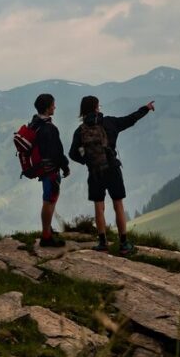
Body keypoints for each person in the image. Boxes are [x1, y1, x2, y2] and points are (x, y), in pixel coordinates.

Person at [69, 95, 154, 255]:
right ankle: (123, 244)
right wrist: (146, 109)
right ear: (96, 108)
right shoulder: (109, 122)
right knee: (118, 205)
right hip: (113, 169)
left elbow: (72, 154)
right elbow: (130, 119)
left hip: (94, 172)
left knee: (99, 207)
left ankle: (102, 243)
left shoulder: (80, 131)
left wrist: (87, 161)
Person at [30, 93, 70, 248]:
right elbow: (57, 153)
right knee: (50, 200)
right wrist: (65, 166)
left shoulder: (35, 123)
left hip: (42, 168)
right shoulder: (49, 128)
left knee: (47, 199)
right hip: (51, 169)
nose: (55, 107)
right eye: (53, 104)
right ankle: (46, 236)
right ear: (47, 108)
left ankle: (47, 230)